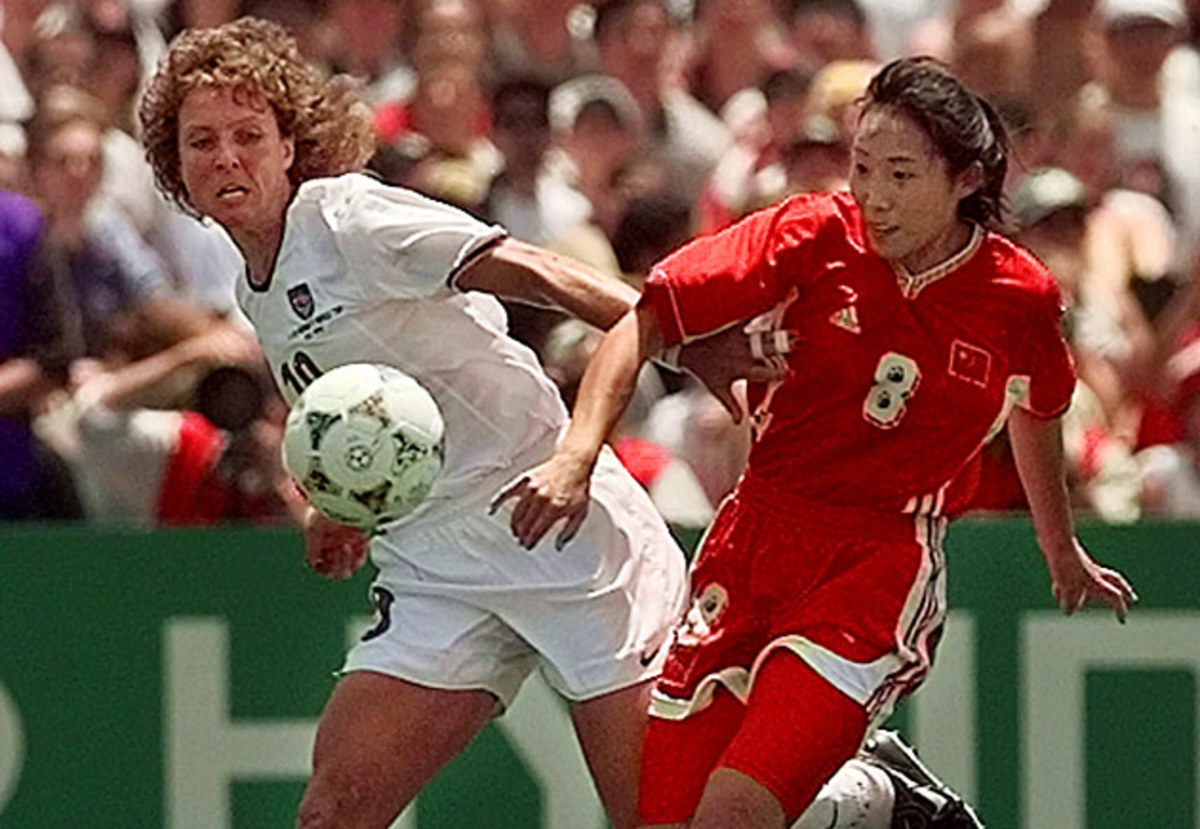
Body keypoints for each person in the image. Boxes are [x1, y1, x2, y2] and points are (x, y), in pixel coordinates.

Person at [136, 17, 785, 829]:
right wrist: (342, 506)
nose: (226, 157)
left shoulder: (350, 220)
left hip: (561, 527)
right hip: (435, 565)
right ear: (175, 164)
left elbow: (543, 273)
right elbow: (363, 404)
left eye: (247, 135)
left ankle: (862, 802)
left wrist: (688, 347)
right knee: (333, 811)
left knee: (664, 820)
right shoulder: (253, 287)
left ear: (290, 145)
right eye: (201, 141)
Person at [499, 57, 1138, 827]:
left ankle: (872, 795)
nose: (874, 195)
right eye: (864, 167)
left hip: (874, 564)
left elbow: (1039, 406)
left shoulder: (1017, 295)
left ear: (967, 178)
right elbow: (646, 319)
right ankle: (870, 800)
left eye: (901, 174)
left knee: (734, 815)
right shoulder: (810, 234)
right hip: (753, 539)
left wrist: (1058, 545)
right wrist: (575, 454)